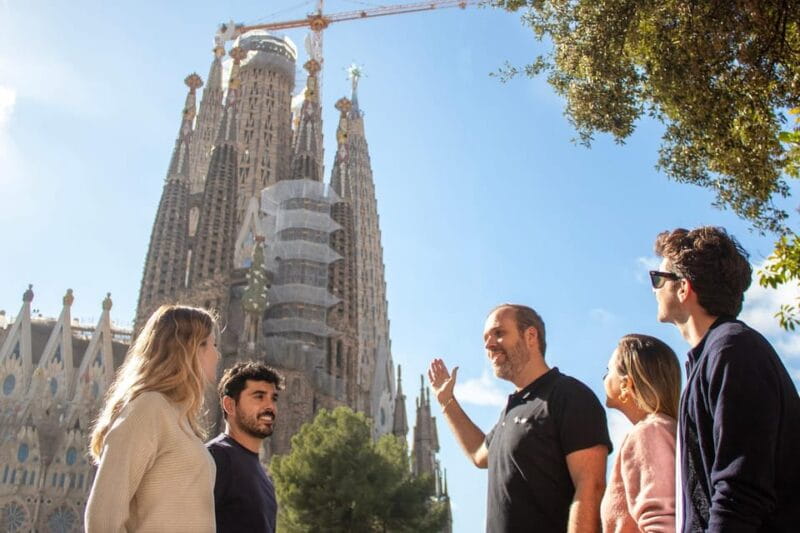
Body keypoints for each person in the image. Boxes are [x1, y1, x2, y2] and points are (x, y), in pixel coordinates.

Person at [651, 226, 800, 532]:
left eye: (658, 279)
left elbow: (740, 488)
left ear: (683, 288)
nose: (654, 289)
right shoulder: (713, 356)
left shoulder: (733, 351)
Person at [428, 304, 611, 533]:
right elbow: (478, 454)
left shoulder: (569, 395)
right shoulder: (512, 410)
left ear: (530, 336)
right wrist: (447, 401)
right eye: (486, 338)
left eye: (499, 333)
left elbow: (590, 487)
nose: (489, 344)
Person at [85, 305, 220, 532]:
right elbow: (103, 520)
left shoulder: (181, 421)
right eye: (212, 344)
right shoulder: (149, 409)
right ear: (189, 349)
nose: (217, 355)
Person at [600, 334, 681, 532]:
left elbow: (661, 522)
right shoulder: (664, 429)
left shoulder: (649, 433)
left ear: (626, 384)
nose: (604, 377)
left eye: (608, 371)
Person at [206, 361, 284, 533]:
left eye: (273, 398)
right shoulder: (215, 458)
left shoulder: (265, 479)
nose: (270, 406)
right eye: (259, 396)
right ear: (230, 405)